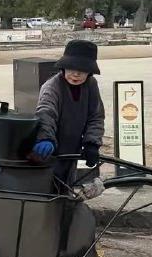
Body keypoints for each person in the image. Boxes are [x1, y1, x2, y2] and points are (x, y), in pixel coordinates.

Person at [31, 40, 105, 188]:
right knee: (47, 190)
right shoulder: (52, 87)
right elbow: (46, 113)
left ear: (89, 72)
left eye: (82, 70)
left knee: (66, 189)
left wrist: (92, 143)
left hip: (72, 151)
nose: (76, 74)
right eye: (71, 68)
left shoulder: (91, 85)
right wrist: (45, 138)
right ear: (64, 67)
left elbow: (96, 116)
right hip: (51, 150)